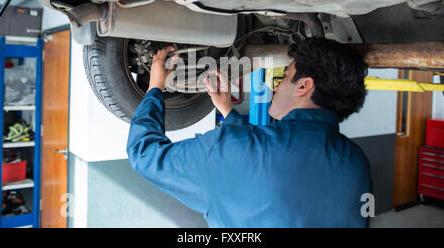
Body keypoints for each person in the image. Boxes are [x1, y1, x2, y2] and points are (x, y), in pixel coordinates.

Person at [127, 37, 371, 228]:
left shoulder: (232, 149)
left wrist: (155, 88)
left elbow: (144, 155)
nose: (276, 84)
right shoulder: (356, 162)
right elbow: (263, 161)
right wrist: (227, 111)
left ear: (304, 86)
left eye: (285, 77)